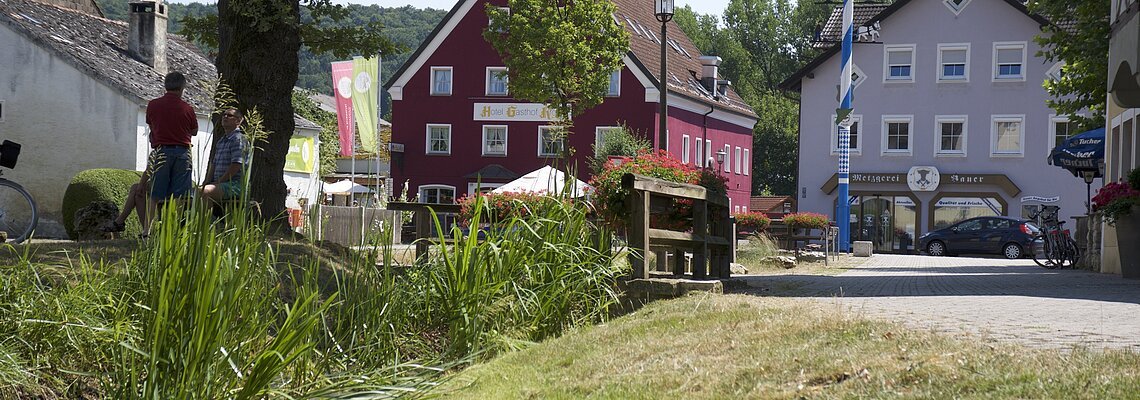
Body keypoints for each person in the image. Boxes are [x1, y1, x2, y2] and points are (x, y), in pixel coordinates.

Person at [145, 71, 198, 223]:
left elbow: (151, 124)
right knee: (180, 194)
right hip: (182, 152)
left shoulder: (153, 105)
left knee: (155, 194)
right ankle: (174, 228)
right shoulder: (187, 108)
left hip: (161, 151)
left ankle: (147, 230)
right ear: (182, 87)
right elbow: (194, 131)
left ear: (165, 86)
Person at [202, 108, 247, 205]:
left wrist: (218, 182)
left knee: (206, 191)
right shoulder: (221, 141)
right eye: (224, 115)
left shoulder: (238, 140)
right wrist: (207, 181)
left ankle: (207, 219)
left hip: (234, 185)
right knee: (194, 191)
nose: (225, 117)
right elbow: (214, 164)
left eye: (229, 115)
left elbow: (236, 165)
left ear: (238, 121)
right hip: (219, 184)